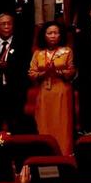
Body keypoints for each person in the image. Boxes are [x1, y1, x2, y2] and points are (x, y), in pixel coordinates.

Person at [29, 21, 75, 150]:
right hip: (44, 91)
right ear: (44, 35)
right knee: (44, 121)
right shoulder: (38, 53)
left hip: (61, 90)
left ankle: (64, 150)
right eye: (49, 33)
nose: (53, 36)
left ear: (60, 35)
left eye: (56, 33)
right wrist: (44, 73)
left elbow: (71, 71)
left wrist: (57, 72)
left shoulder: (67, 51)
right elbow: (32, 73)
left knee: (61, 121)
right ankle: (44, 151)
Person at [0, 13, 28, 131]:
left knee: (15, 125)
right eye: (3, 24)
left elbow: (26, 67)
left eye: (9, 24)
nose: (7, 26)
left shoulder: (22, 44)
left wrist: (9, 67)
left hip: (15, 91)